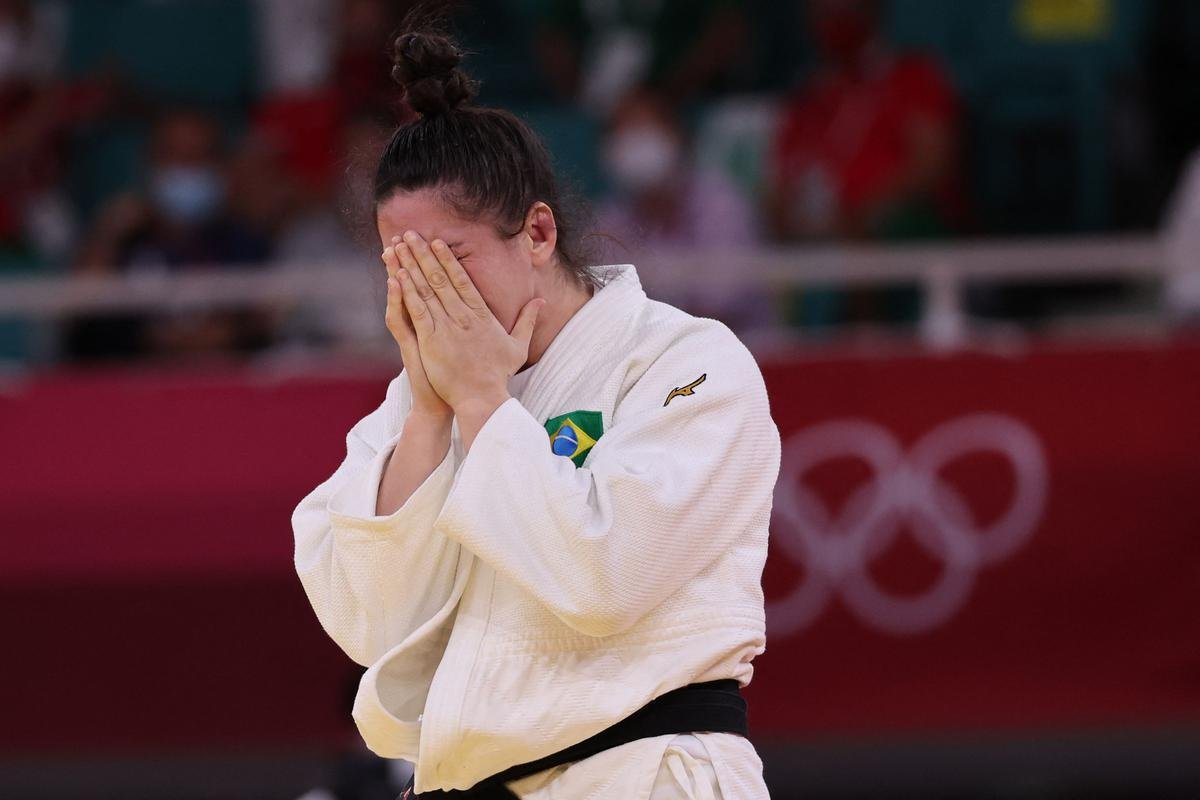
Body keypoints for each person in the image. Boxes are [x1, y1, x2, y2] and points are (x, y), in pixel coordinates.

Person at [291, 14, 781, 800]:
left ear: (540, 234)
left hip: (643, 772)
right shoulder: (416, 403)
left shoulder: (684, 362)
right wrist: (427, 416)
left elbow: (605, 578)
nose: (430, 297)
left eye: (449, 263)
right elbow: (369, 625)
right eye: (403, 270)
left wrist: (485, 401)